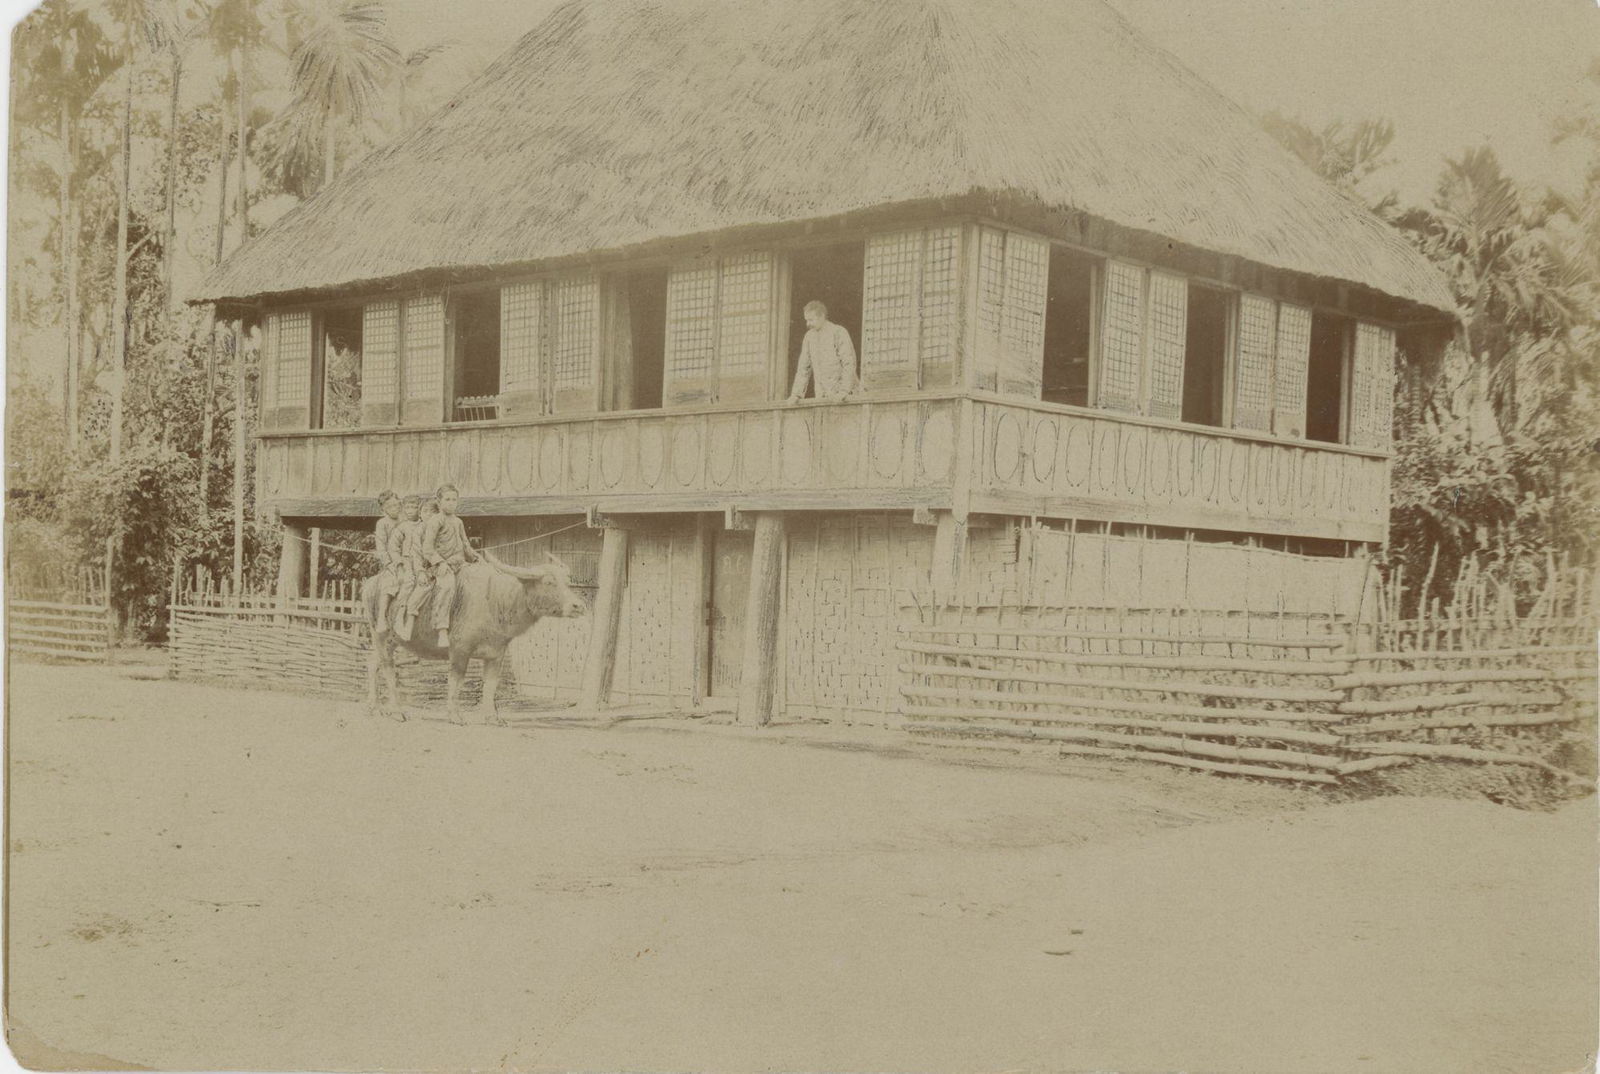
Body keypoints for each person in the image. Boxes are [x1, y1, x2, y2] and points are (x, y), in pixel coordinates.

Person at [420, 484, 478, 647]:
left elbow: (465, 544)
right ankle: (442, 629)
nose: (451, 503)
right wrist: (440, 562)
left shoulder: (458, 522)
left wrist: (475, 557)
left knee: (478, 579)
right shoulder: (435, 521)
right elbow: (428, 548)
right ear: (439, 502)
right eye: (447, 499)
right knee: (447, 586)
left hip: (459, 563)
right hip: (440, 565)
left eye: (454, 499)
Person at [787, 300, 859, 403]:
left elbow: (849, 363)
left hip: (845, 395)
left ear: (822, 316)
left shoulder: (838, 332)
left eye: (811, 320)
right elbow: (803, 368)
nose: (808, 324)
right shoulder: (809, 337)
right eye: (806, 320)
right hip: (822, 395)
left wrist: (844, 391)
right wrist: (796, 394)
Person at [389, 494, 426, 640]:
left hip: (423, 561)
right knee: (408, 582)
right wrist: (399, 561)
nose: (411, 511)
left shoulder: (425, 525)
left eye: (414, 507)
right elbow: (393, 546)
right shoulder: (402, 527)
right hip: (407, 561)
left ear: (419, 509)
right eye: (408, 507)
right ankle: (400, 615)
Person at [372, 490, 401, 633]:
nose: (395, 509)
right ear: (383, 509)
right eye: (390, 507)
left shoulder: (405, 520)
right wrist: (389, 564)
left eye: (397, 505)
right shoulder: (382, 523)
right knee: (390, 583)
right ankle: (382, 617)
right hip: (392, 563)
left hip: (408, 559)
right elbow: (381, 547)